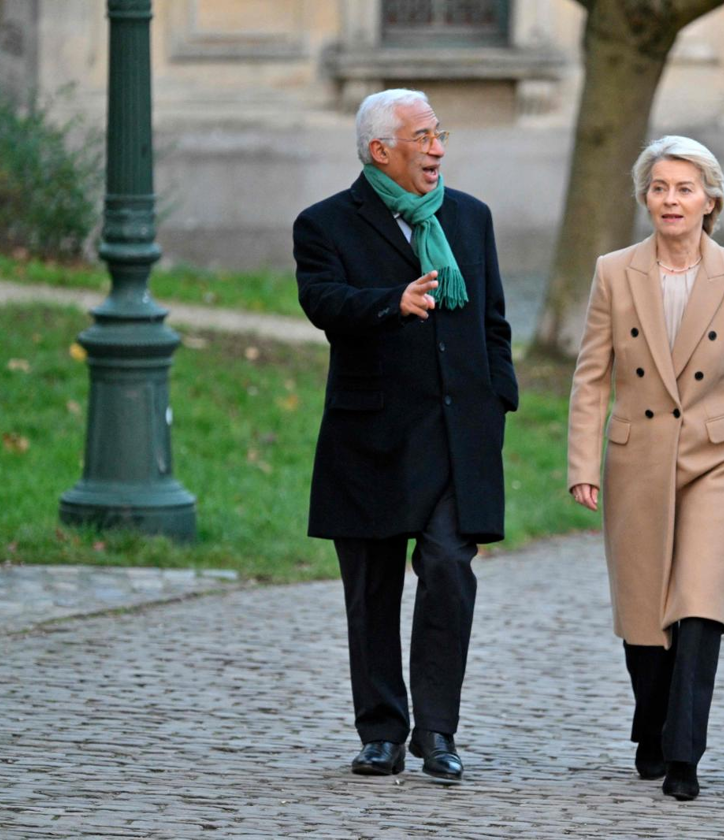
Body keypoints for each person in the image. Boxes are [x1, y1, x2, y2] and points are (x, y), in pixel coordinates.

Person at [292, 88, 517, 783]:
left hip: (456, 438)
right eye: (423, 137)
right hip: (372, 439)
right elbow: (322, 302)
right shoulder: (325, 223)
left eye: (439, 134)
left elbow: (494, 321)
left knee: (449, 569)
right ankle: (382, 732)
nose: (439, 149)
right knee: (373, 589)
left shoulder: (469, 217)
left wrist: (497, 397)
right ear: (381, 151)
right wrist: (392, 302)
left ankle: (438, 730)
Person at [567, 136, 724, 802]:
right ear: (645, 198)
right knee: (644, 610)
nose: (672, 200)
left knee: (698, 603)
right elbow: (590, 378)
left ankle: (685, 754)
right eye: (661, 187)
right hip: (637, 454)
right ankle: (653, 724)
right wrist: (583, 462)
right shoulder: (614, 271)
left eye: (685, 188)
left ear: (711, 200)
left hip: (717, 456)